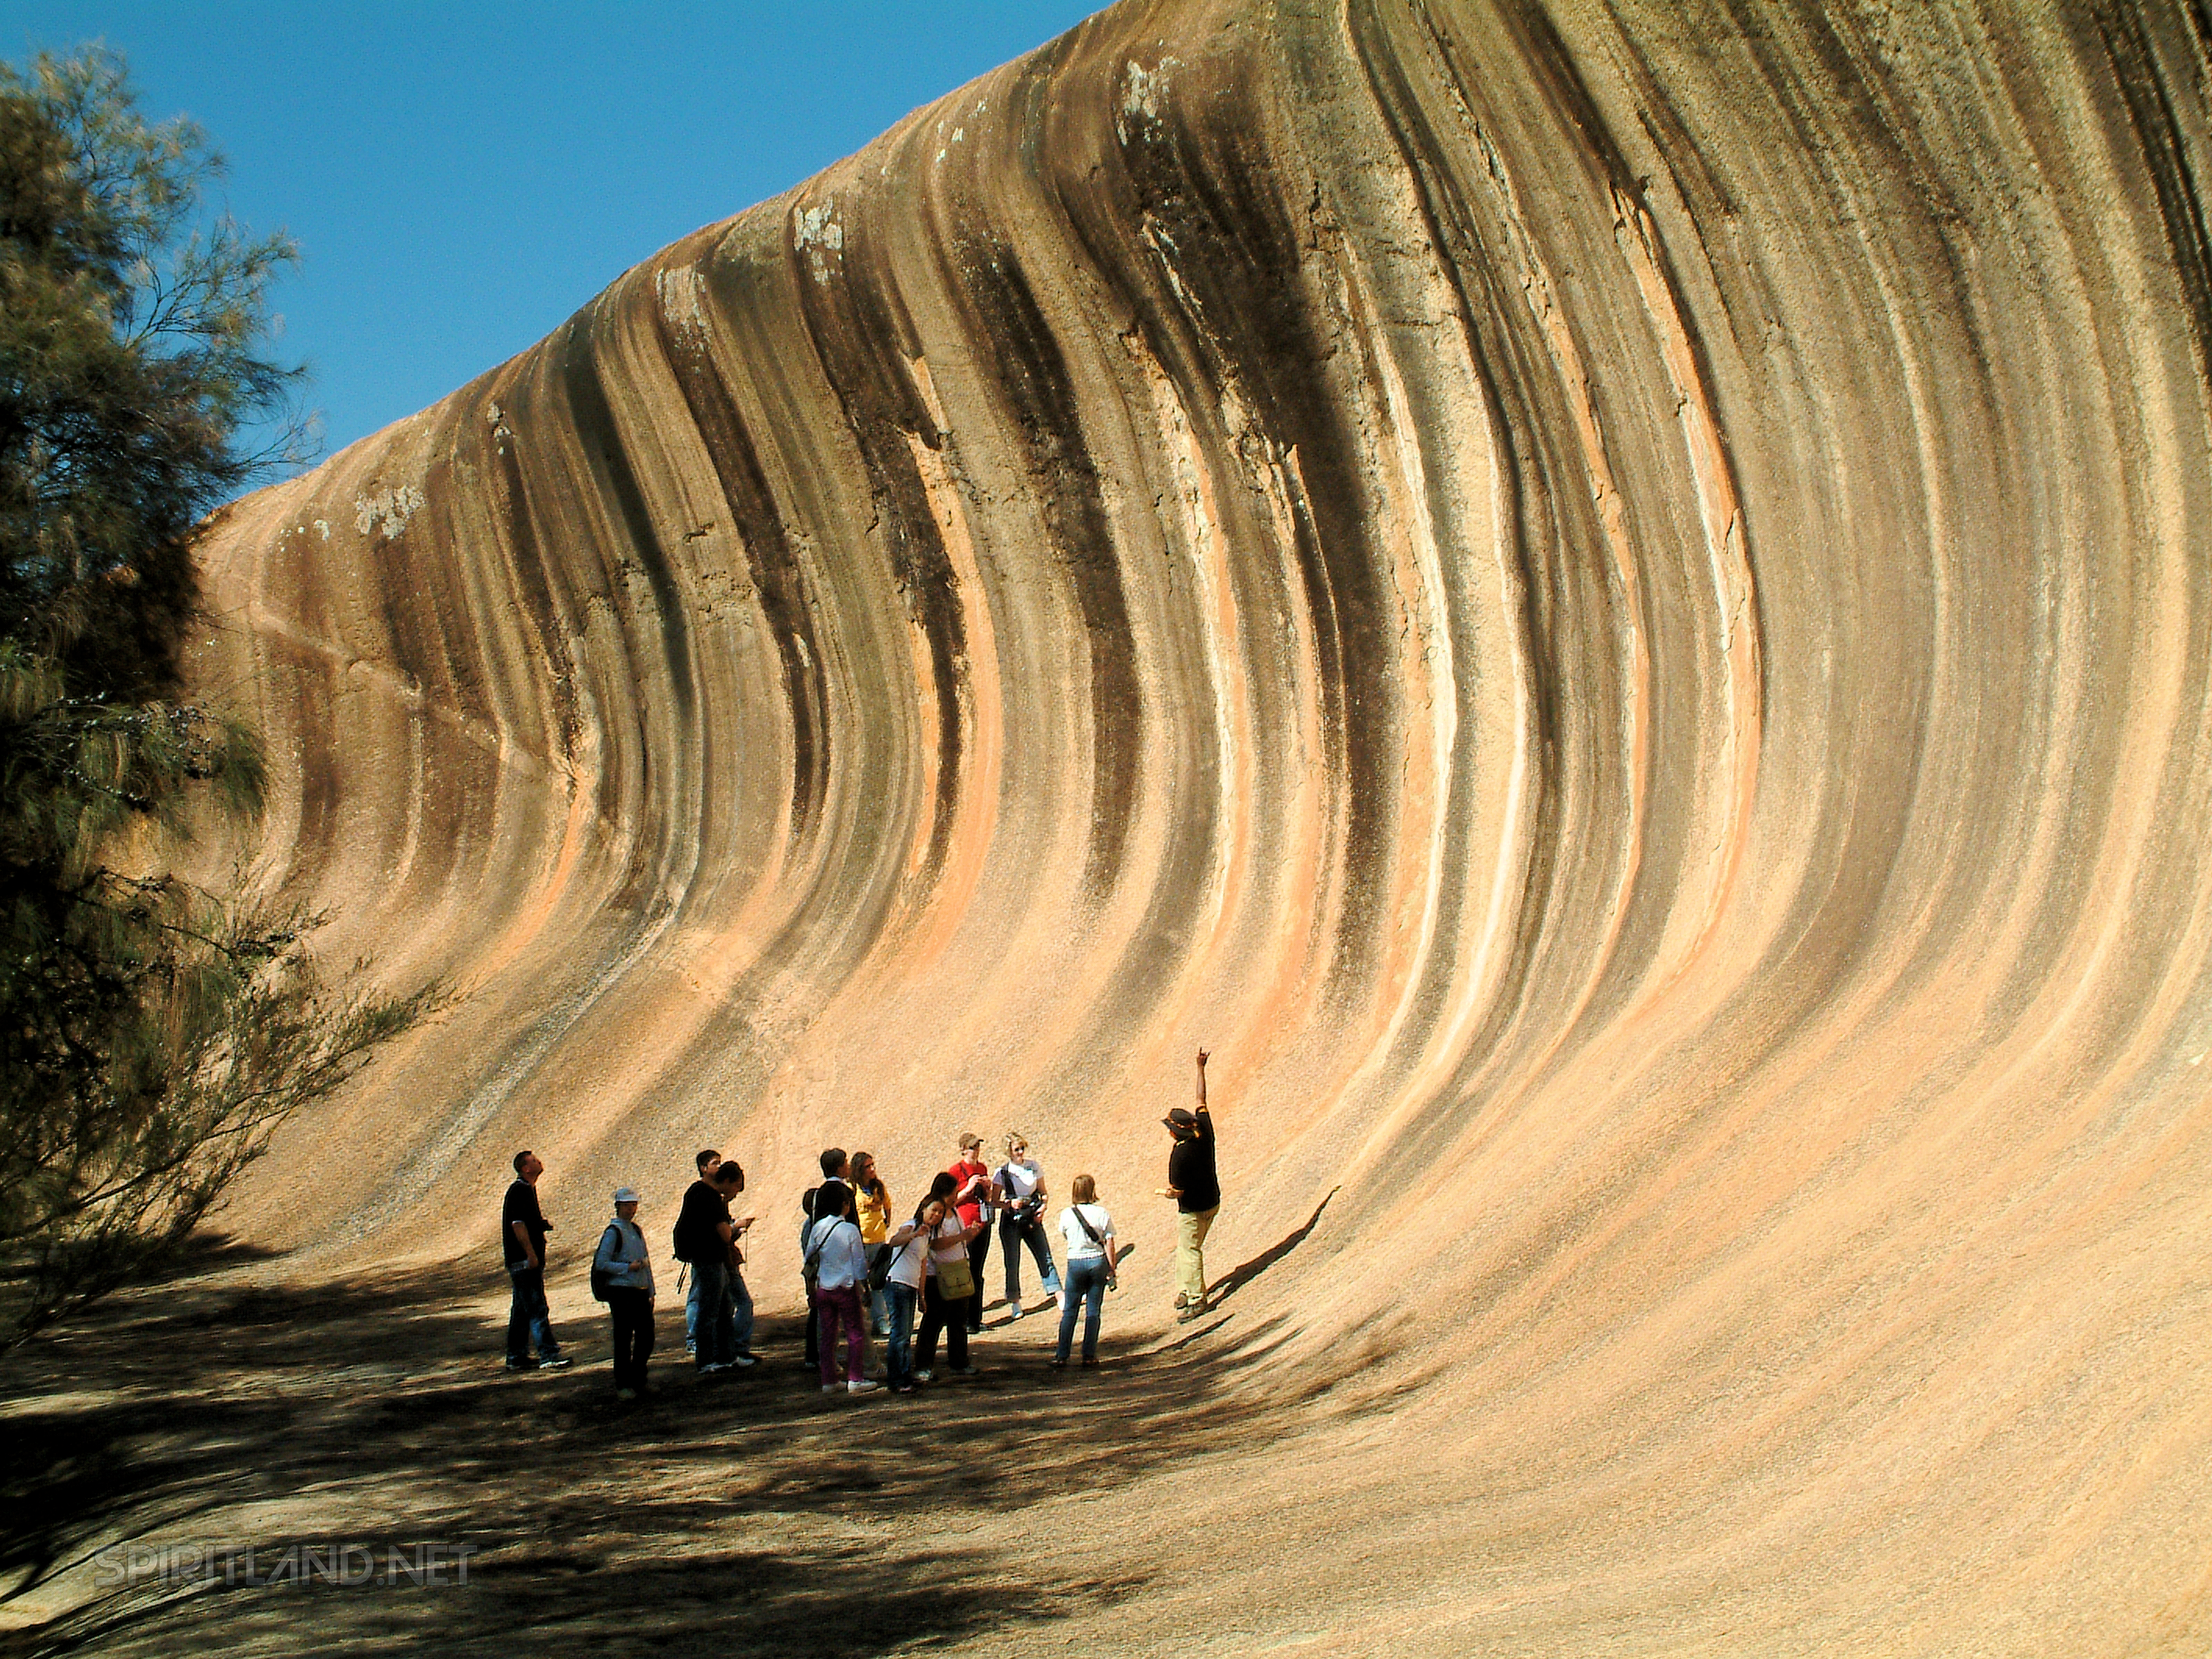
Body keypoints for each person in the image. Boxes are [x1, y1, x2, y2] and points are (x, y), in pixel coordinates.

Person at [1158, 1049, 1222, 1322]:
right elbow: (1201, 1098)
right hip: (1213, 1202)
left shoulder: (1180, 1155)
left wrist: (1168, 1193)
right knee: (1187, 1248)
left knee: (1189, 1250)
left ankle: (1196, 1298)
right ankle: (1184, 1289)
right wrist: (1200, 1067)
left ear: (1176, 1132)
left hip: (1193, 1210)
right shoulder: (1204, 1128)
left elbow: (1178, 1192)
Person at [804, 1181, 879, 1396]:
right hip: (845, 1287)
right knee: (855, 1333)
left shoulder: (818, 1228)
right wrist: (863, 1284)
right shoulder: (849, 1230)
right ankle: (855, 1377)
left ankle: (828, 1379)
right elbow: (858, 1263)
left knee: (828, 1335)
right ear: (845, 1204)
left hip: (824, 1287)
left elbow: (810, 1255)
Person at [679, 1159, 755, 1374]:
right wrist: (735, 1228)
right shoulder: (710, 1198)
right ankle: (706, 1360)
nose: (735, 1193)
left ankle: (727, 1356)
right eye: (736, 1187)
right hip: (710, 1259)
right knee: (710, 1311)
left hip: (711, 1259)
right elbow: (724, 1233)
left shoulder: (699, 1192)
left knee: (724, 1309)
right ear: (728, 1181)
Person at [503, 1151, 571, 1372]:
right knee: (536, 1307)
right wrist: (530, 1254)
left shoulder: (527, 1190)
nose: (539, 1161)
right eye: (533, 1160)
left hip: (521, 1260)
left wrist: (540, 1225)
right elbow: (517, 1224)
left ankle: (516, 1356)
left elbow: (526, 1223)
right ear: (525, 1168)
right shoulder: (520, 1190)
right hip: (524, 1261)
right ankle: (549, 1354)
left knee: (522, 1310)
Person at [913, 1170, 985, 1380]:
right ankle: (923, 1365)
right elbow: (934, 1243)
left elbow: (956, 1240)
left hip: (958, 1271)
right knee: (933, 1321)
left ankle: (959, 1361)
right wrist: (961, 1236)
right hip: (938, 1275)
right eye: (954, 1192)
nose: (956, 1195)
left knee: (958, 1320)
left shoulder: (952, 1211)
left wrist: (969, 1235)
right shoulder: (936, 1212)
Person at [594, 1186, 657, 1399]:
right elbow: (602, 1263)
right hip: (621, 1292)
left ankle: (639, 1379)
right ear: (618, 1207)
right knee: (623, 1338)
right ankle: (623, 1384)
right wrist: (626, 1268)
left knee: (646, 1337)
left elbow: (646, 1261)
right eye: (628, 1205)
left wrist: (651, 1290)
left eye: (634, 1205)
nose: (632, 1209)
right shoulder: (613, 1232)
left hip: (639, 1291)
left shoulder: (635, 1230)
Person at [995, 1133, 1061, 1319]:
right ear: (1009, 1152)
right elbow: (993, 1200)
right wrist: (1008, 1204)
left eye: (1022, 1148)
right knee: (1012, 1262)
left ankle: (1057, 1292)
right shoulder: (1002, 1173)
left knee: (1044, 1255)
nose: (1021, 1152)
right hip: (1011, 1221)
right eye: (1016, 1150)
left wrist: (1043, 1208)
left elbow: (1043, 1192)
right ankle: (1015, 1302)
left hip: (1032, 1217)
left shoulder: (1033, 1166)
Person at [1054, 1174, 1116, 1368]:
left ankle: (1062, 1355)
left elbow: (1065, 1234)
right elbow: (1110, 1242)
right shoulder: (1102, 1213)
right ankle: (1089, 1355)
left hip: (1075, 1262)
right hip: (1097, 1262)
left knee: (1070, 1311)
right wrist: (1112, 1268)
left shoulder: (1067, 1214)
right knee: (1093, 1310)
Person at [879, 1190, 936, 1393]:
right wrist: (913, 1234)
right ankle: (895, 1379)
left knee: (906, 1334)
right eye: (933, 1210)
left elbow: (922, 1265)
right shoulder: (911, 1225)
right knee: (900, 1334)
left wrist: (921, 1295)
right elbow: (894, 1241)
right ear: (923, 1209)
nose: (936, 1215)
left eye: (939, 1213)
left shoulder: (927, 1234)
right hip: (897, 1282)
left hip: (910, 1286)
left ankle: (904, 1375)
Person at [947, 1133, 996, 1333]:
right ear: (963, 1150)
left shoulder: (982, 1167)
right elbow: (951, 1200)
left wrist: (987, 1188)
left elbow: (988, 1198)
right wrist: (968, 1188)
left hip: (982, 1223)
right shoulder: (955, 1171)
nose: (976, 1150)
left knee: (977, 1272)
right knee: (965, 1272)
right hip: (966, 1225)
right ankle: (963, 1318)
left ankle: (976, 1319)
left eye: (977, 1146)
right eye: (973, 1147)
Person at [851, 1152, 893, 1339]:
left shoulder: (878, 1187)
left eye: (873, 1165)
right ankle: (860, 1322)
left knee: (878, 1282)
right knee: (859, 1282)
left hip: (877, 1241)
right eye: (868, 1167)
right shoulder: (853, 1189)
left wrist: (886, 1221)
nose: (872, 1170)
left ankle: (881, 1321)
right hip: (859, 1242)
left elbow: (888, 1205)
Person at [683, 1148, 719, 1355]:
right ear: (703, 1168)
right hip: (702, 1254)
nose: (719, 1167)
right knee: (698, 1298)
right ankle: (694, 1339)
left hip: (709, 1253)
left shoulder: (712, 1191)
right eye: (715, 1163)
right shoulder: (699, 1192)